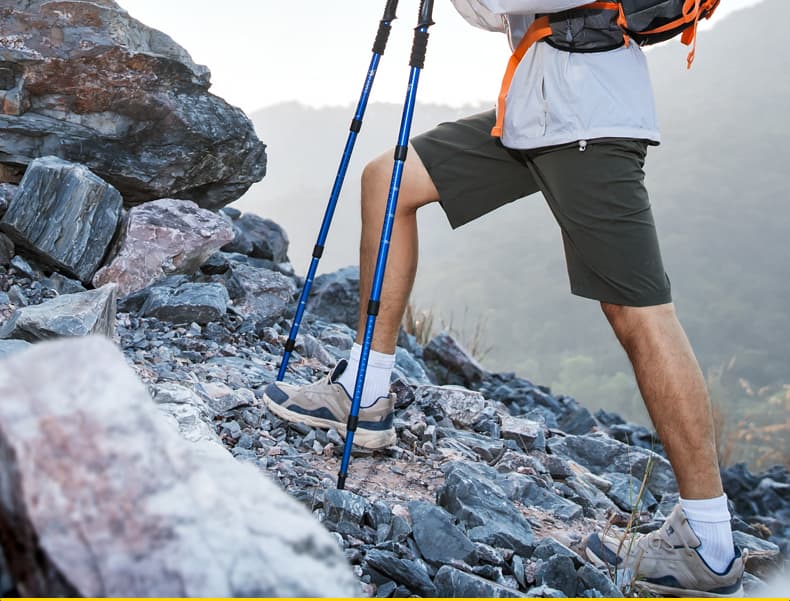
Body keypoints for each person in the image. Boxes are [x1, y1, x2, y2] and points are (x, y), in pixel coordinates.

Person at [264, 0, 745, 595]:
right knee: (388, 180)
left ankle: (709, 543)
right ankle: (365, 391)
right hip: (535, 112)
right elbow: (495, 14)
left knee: (640, 316)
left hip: (587, 120)